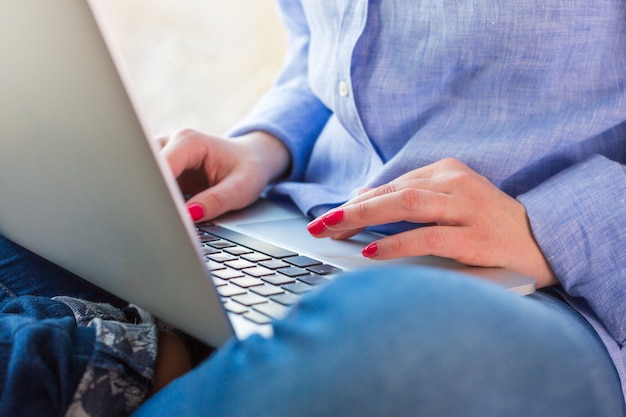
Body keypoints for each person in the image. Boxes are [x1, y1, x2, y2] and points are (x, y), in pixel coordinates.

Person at [1, 0, 625, 416]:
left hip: (552, 295)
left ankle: (107, 358)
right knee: (27, 230)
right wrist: (265, 145)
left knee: (414, 335)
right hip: (296, 224)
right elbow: (322, 56)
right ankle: (127, 363)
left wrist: (553, 230)